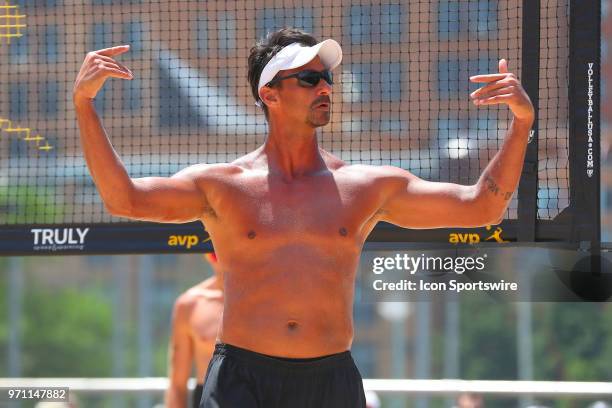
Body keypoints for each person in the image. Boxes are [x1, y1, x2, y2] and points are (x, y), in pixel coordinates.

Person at [73, 27, 534, 407]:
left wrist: (520, 126)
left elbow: (482, 207)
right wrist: (85, 106)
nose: (326, 87)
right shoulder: (222, 185)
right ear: (269, 93)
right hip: (241, 381)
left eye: (327, 77)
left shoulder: (365, 186)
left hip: (329, 381)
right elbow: (124, 200)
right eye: (310, 79)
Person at [165, 253, 223, 408]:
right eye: (214, 253)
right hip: (209, 396)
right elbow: (177, 384)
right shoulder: (190, 304)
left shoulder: (269, 300)